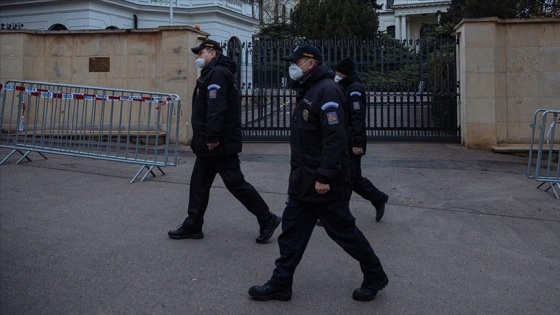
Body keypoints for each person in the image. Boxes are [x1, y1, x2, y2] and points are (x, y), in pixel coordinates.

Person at [248, 44, 388, 302]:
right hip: (303, 179)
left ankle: (374, 273)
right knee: (291, 233)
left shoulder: (328, 91)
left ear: (311, 63)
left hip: (322, 181)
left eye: (296, 61)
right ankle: (280, 283)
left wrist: (324, 177)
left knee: (343, 232)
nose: (292, 66)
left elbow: (335, 139)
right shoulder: (310, 89)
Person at [168, 39, 281, 244]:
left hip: (218, 144)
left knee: (235, 183)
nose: (197, 57)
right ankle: (193, 224)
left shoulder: (218, 74)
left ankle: (268, 218)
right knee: (199, 184)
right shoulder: (213, 73)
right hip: (209, 144)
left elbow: (216, 107)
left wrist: (212, 137)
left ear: (213, 53)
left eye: (200, 53)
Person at [334, 57, 389, 222]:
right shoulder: (344, 86)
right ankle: (378, 198)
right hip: (345, 138)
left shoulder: (354, 89)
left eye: (338, 72)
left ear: (344, 73)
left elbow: (357, 117)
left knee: (347, 178)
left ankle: (340, 214)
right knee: (354, 178)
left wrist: (357, 142)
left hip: (352, 140)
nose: (335, 74)